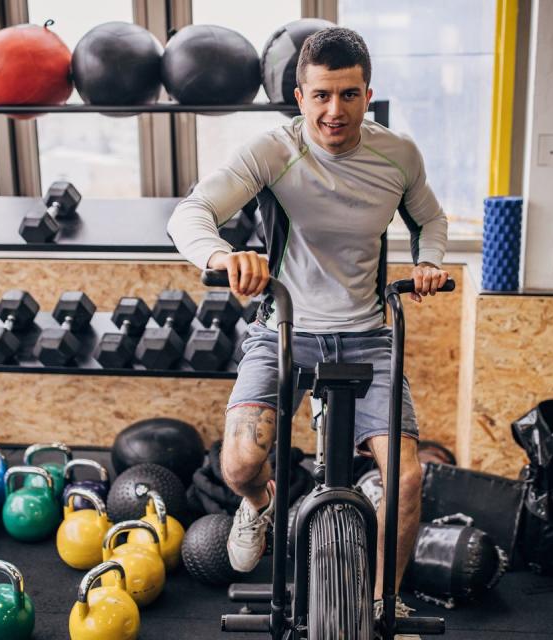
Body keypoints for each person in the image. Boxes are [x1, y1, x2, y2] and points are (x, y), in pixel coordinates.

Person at [167, 26, 449, 635]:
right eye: (321, 95)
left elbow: (429, 219)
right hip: (284, 329)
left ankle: (381, 603)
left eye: (349, 95)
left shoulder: (397, 155)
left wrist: (429, 262)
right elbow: (190, 214)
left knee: (405, 481)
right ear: (299, 96)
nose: (334, 111)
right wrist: (224, 257)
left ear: (367, 94)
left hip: (370, 334)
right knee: (239, 464)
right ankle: (260, 505)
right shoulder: (274, 151)